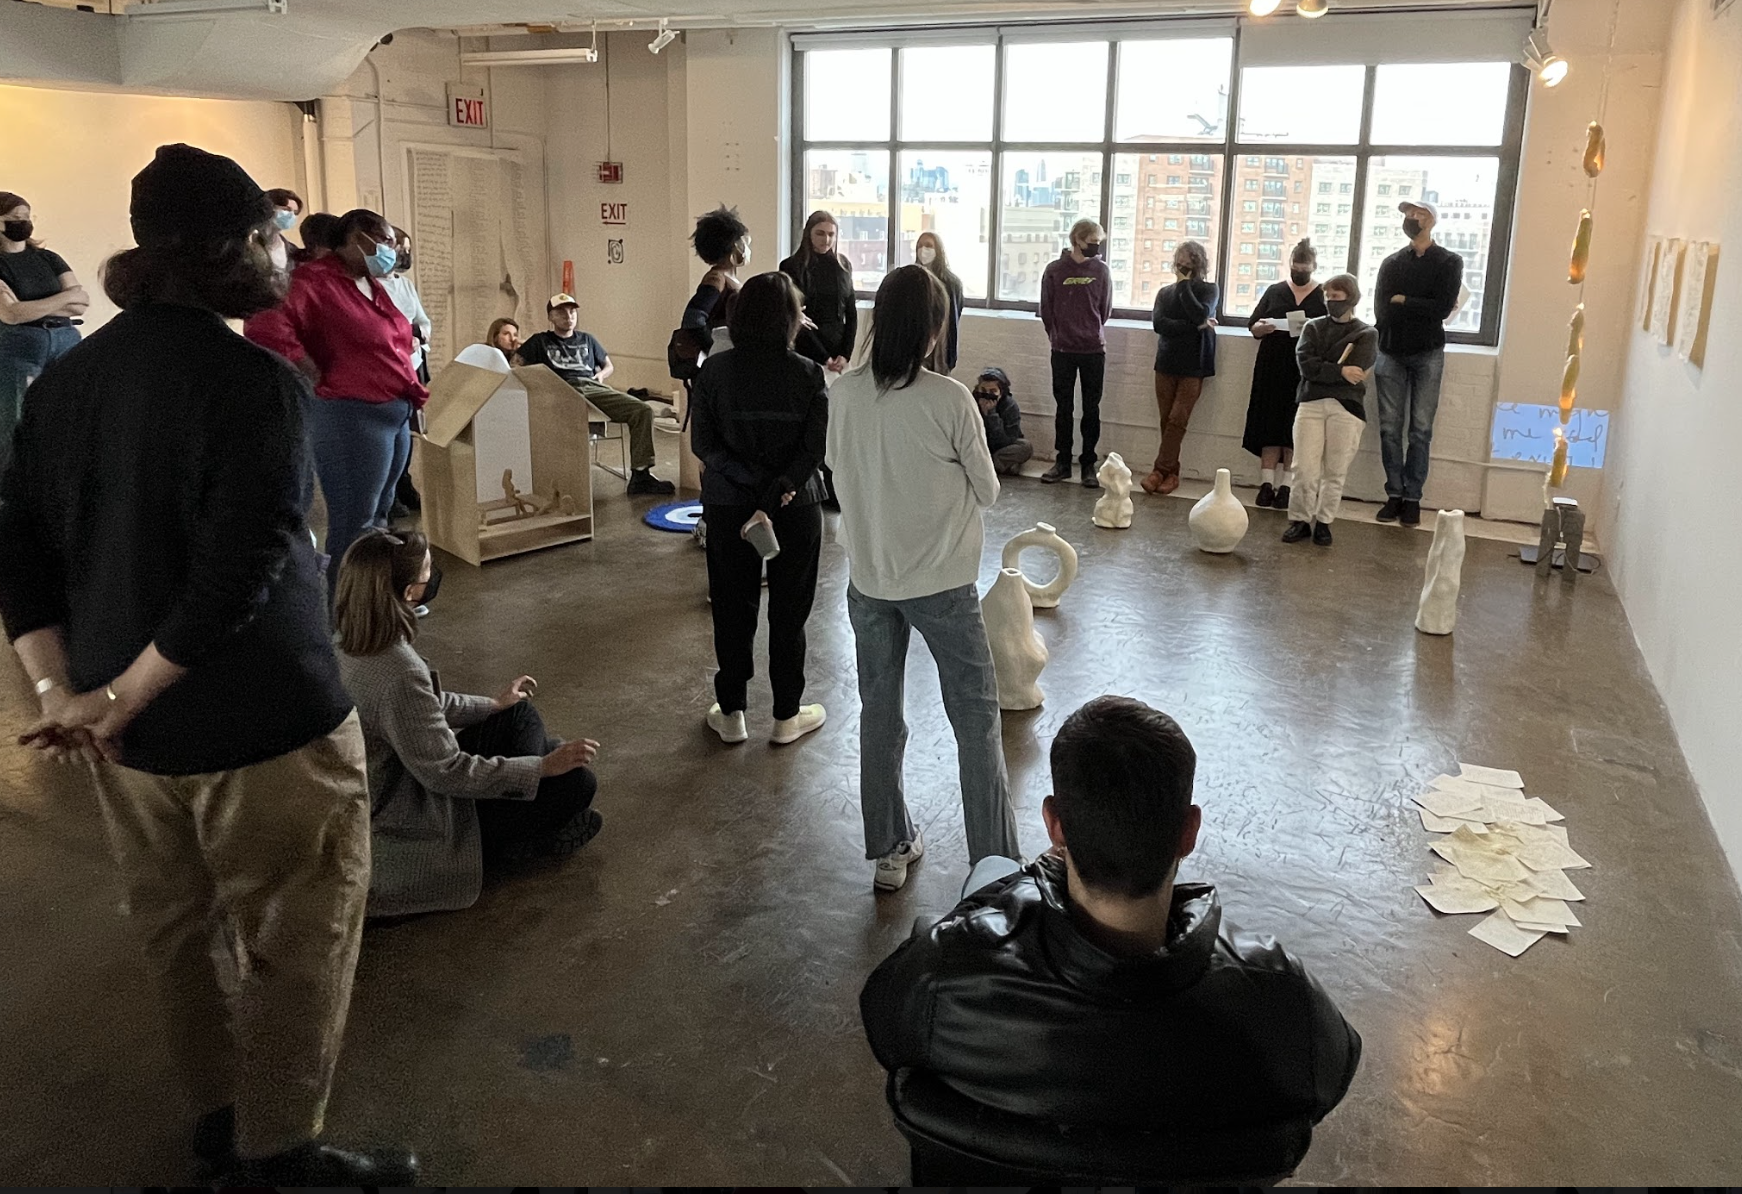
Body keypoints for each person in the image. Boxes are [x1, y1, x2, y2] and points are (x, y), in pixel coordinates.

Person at [0, 144, 416, 1184]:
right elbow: (235, 576)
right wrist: (114, 696)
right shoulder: (257, 383)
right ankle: (279, 1149)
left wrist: (72, 694)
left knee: (178, 934)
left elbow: (21, 555)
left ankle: (218, 1117)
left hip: (131, 747)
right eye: (272, 233)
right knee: (295, 936)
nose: (283, 249)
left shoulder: (66, 383)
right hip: (264, 724)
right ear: (234, 247)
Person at [860, 696, 1362, 1174]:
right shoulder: (1281, 995)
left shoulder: (947, 971)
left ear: (1055, 826)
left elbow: (884, 1028)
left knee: (991, 866)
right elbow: (1329, 1079)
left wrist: (1017, 888)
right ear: (1189, 832)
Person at [827, 264, 1021, 893]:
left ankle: (888, 849)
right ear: (936, 328)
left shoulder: (844, 393)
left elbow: (837, 471)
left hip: (870, 581)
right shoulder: (950, 399)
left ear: (877, 322)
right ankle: (995, 868)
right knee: (975, 719)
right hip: (942, 585)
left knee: (880, 715)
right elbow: (988, 492)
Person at [333, 529, 602, 916]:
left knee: (520, 715)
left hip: (401, 778)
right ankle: (524, 836)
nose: (434, 576)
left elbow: (427, 705)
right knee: (576, 782)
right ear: (410, 591)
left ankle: (532, 804)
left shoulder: (349, 637)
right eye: (428, 570)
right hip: (415, 812)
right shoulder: (398, 672)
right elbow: (447, 773)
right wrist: (540, 768)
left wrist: (493, 704)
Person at [243, 207, 428, 603]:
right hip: (351, 414)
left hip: (392, 411)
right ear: (357, 238)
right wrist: (305, 366)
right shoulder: (313, 281)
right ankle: (341, 614)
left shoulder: (368, 283)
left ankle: (375, 605)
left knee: (380, 518)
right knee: (354, 521)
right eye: (386, 241)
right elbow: (265, 324)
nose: (392, 251)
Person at [689, 272, 829, 746]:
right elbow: (813, 452)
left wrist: (750, 491)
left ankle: (732, 715)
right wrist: (774, 494)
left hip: (729, 508)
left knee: (732, 609)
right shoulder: (809, 374)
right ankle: (787, 717)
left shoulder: (714, 372)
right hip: (796, 507)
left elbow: (704, 444)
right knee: (790, 613)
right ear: (791, 319)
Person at [517, 293, 675, 496]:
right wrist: (543, 386)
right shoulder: (540, 341)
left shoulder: (587, 339)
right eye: (562, 312)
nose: (569, 316)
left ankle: (641, 475)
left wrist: (601, 375)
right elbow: (516, 364)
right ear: (551, 317)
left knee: (642, 410)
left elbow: (608, 366)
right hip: (562, 390)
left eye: (572, 311)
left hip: (592, 387)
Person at [1373, 198, 1463, 527]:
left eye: (1418, 214)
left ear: (1431, 220)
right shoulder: (1392, 262)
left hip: (1428, 351)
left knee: (1421, 431)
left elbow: (1441, 309)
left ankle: (1413, 497)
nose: (1411, 218)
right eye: (1408, 214)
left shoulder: (1449, 262)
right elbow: (1382, 310)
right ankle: (1393, 493)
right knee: (1388, 430)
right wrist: (1414, 304)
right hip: (1391, 350)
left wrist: (1404, 300)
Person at [1284, 274, 1379, 548]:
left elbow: (1357, 372)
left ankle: (1324, 522)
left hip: (1347, 409)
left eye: (1336, 297)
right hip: (1311, 403)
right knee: (1304, 467)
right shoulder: (1312, 328)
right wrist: (1339, 370)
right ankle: (1299, 520)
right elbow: (1306, 367)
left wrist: (1324, 368)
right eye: (1328, 297)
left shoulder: (1367, 334)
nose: (1330, 302)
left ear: (1351, 299)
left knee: (1335, 470)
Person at [0, 191, 89, 475]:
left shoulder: (48, 257)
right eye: (15, 218)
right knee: (15, 423)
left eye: (26, 217)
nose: (23, 223)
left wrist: (30, 306)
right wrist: (63, 299)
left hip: (66, 341)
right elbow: (10, 314)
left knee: (69, 416)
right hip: (19, 347)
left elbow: (82, 303)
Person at [1243, 239, 1325, 510]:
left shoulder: (1323, 294)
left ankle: (1287, 485)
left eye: (1304, 266)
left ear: (1313, 267)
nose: (1299, 270)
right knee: (1269, 422)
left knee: (1294, 425)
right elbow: (1252, 323)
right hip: (1272, 364)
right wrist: (1259, 328)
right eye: (1295, 265)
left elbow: (1329, 330)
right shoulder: (1275, 290)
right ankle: (1266, 483)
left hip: (1303, 368)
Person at [1038, 218, 1112, 489]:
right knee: (1064, 408)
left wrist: (1089, 329)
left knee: (1091, 409)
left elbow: (1104, 310)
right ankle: (1063, 462)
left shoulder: (1102, 271)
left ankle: (1089, 464)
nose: (1095, 247)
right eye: (1091, 242)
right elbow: (1047, 310)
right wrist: (1059, 335)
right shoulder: (1055, 270)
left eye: (1098, 243)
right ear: (1077, 240)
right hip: (1063, 349)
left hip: (1093, 349)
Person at [1143, 240, 1219, 496]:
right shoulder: (1164, 293)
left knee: (1178, 419)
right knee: (1166, 419)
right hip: (1166, 362)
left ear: (1198, 264)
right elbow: (1159, 324)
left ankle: (1158, 470)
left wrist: (1186, 285)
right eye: (1179, 261)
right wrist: (1193, 327)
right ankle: (1171, 472)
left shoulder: (1210, 289)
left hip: (1194, 365)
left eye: (1188, 262)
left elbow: (1200, 314)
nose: (1182, 266)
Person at [778, 209, 855, 373]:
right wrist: (823, 357)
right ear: (808, 233)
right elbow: (796, 316)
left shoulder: (843, 266)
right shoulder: (791, 266)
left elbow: (851, 313)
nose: (826, 240)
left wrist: (845, 354)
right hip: (806, 349)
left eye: (831, 234)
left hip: (838, 351)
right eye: (820, 233)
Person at [682, 204, 750, 350]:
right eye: (743, 242)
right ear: (734, 246)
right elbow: (693, 319)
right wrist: (713, 347)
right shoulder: (716, 279)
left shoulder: (727, 278)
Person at [916, 230, 965, 373]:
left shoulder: (952, 283)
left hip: (941, 347)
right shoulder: (914, 279)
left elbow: (955, 316)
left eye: (928, 245)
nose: (923, 250)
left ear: (938, 250)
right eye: (919, 245)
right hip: (917, 346)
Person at [972, 367, 1032, 476]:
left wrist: (991, 415)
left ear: (1001, 392)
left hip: (1002, 447)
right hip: (979, 445)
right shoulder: (972, 401)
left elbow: (1007, 439)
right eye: (984, 391)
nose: (987, 395)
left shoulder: (1010, 406)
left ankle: (990, 465)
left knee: (1025, 446)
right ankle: (1002, 466)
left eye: (992, 391)